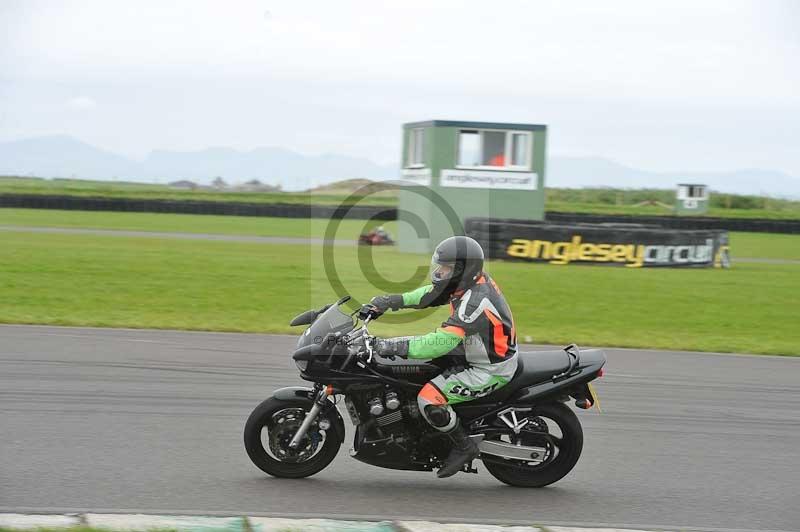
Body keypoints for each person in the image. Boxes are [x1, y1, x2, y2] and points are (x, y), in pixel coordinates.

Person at [360, 236, 518, 478]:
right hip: (472, 351)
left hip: (488, 368)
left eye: (446, 268)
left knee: (429, 398)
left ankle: (464, 447)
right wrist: (391, 301)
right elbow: (430, 294)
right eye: (441, 266)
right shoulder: (469, 283)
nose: (439, 272)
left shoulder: (474, 302)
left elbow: (437, 344)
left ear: (462, 271)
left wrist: (390, 346)